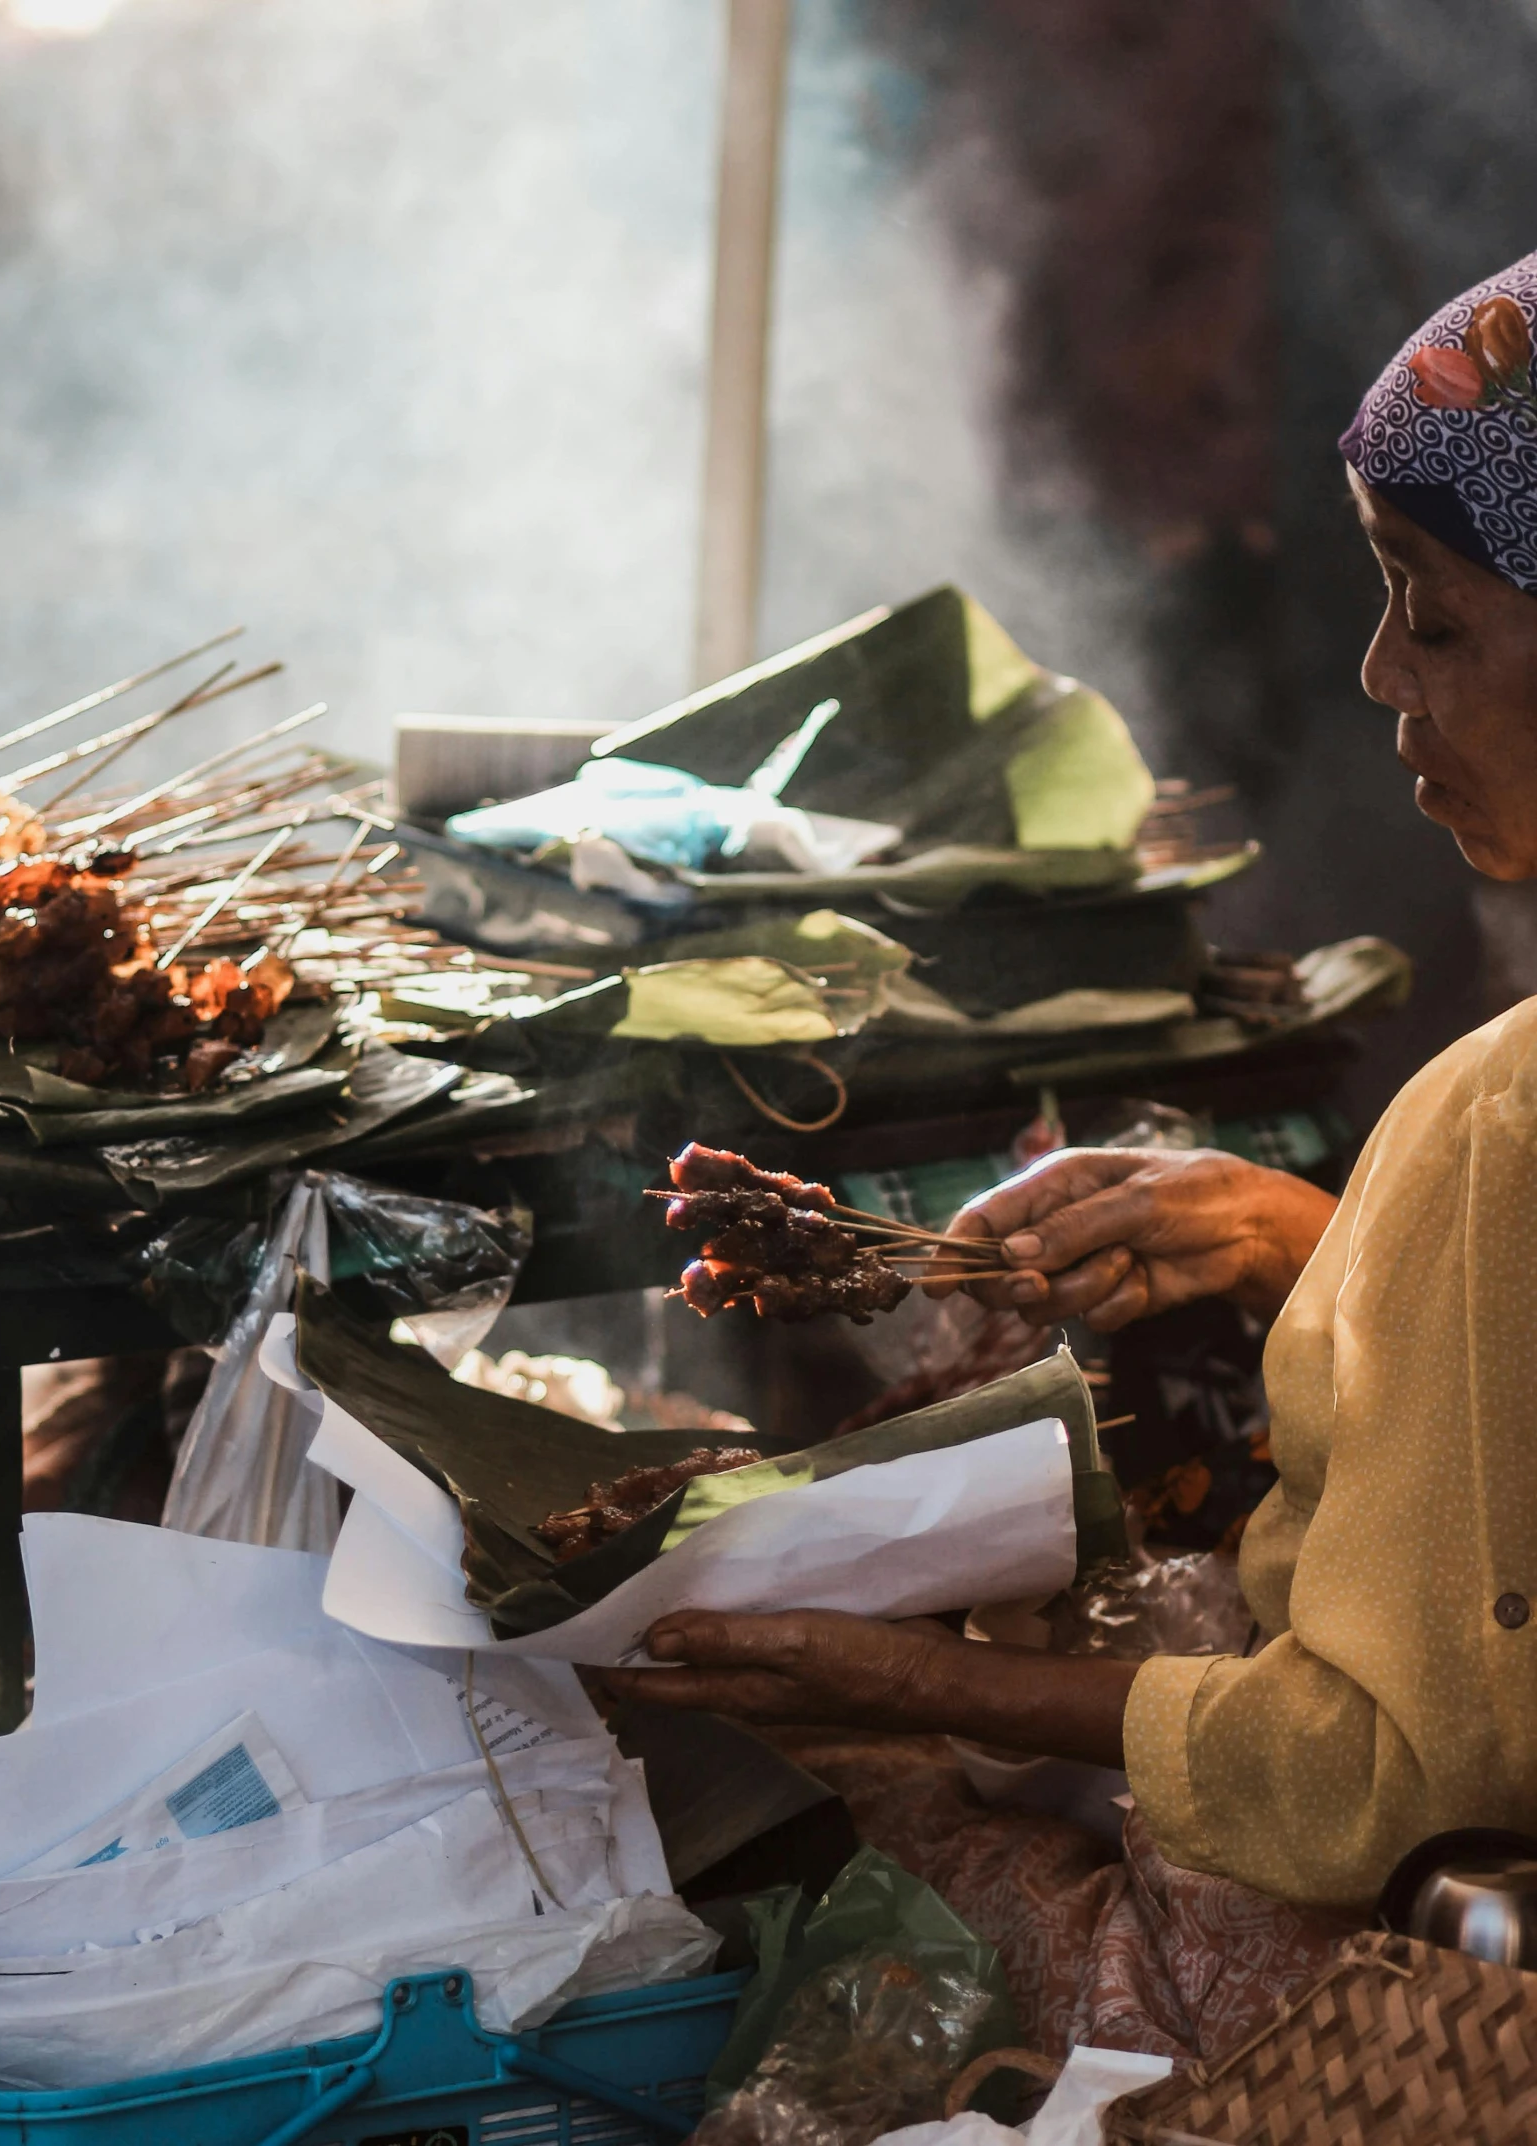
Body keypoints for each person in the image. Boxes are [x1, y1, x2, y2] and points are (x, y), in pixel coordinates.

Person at [604, 248, 1537, 2061]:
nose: (1374, 674)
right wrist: (1330, 1245)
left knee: (806, 1789)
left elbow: (1390, 1775)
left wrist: (919, 1685)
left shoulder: (1498, 1118)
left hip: (1384, 1989)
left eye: (1428, 614)